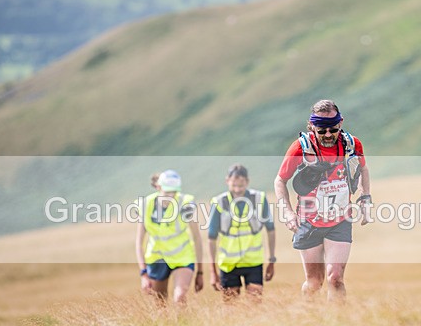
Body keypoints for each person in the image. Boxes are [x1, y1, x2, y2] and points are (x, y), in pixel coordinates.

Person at [274, 99, 371, 300]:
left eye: (333, 129)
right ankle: (309, 318)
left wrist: (365, 197)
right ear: (312, 127)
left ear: (340, 123)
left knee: (335, 278)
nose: (328, 134)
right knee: (314, 283)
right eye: (322, 130)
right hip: (308, 222)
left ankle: (338, 324)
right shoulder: (300, 148)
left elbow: (362, 169)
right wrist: (288, 213)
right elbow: (280, 180)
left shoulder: (352, 144)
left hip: (340, 220)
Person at [208, 164, 276, 299]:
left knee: (255, 304)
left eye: (241, 185)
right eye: (234, 185)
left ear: (247, 182)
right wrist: (212, 271)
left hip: (253, 262)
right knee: (231, 308)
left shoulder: (259, 199)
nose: (237, 189)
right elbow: (211, 237)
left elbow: (271, 230)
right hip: (228, 264)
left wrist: (272, 260)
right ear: (227, 181)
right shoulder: (218, 202)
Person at [136, 169, 204, 305]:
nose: (170, 196)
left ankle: (184, 325)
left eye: (174, 192)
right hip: (157, 258)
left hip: (182, 257)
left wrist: (200, 271)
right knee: (160, 303)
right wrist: (143, 273)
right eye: (167, 192)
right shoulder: (146, 205)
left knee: (180, 297)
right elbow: (139, 242)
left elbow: (197, 238)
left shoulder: (185, 204)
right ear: (158, 187)